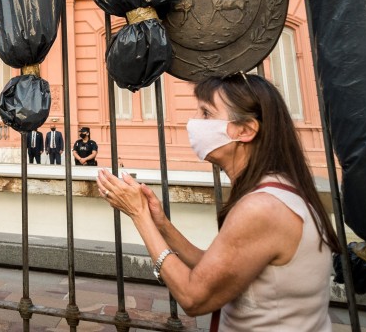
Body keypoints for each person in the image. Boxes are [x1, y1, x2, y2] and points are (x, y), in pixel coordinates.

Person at [97, 74, 341, 330]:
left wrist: (138, 214)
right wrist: (161, 224)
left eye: (206, 113)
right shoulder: (273, 190)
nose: (194, 123)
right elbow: (216, 268)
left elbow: (193, 297)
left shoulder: (263, 208)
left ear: (245, 130)